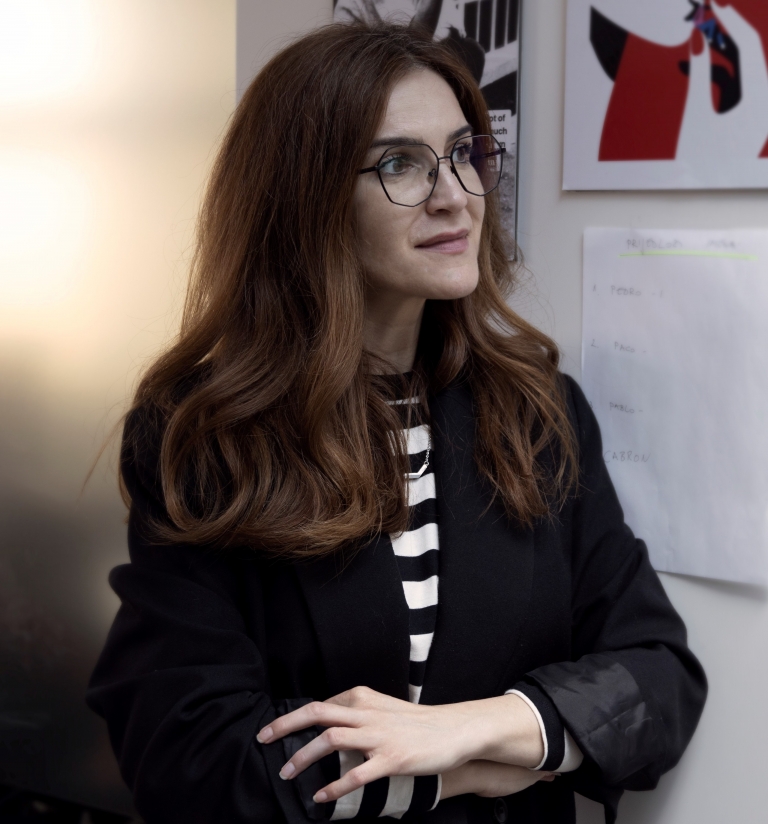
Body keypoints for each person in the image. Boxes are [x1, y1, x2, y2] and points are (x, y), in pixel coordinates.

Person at [86, 22, 706, 824]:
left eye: (463, 153)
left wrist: (470, 727)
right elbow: (188, 757)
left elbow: (657, 679)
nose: (455, 195)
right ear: (306, 197)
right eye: (399, 164)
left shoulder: (538, 411)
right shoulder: (205, 436)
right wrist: (469, 771)